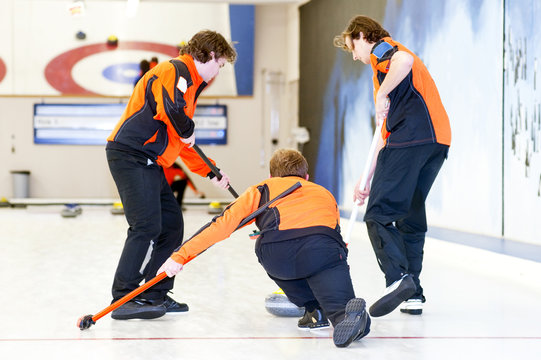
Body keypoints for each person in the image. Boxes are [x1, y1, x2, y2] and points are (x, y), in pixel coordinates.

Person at [157, 149, 371, 348]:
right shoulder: (324, 193)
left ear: (271, 176)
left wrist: (180, 256)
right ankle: (346, 316)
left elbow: (220, 226)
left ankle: (313, 310)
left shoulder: (262, 189)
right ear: (306, 177)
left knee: (283, 253)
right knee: (335, 287)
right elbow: (333, 234)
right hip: (322, 251)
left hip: (277, 254)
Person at [106, 30, 237, 320]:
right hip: (130, 155)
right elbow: (171, 111)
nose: (219, 70)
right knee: (146, 226)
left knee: (172, 225)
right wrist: (187, 129)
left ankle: (155, 292)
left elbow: (181, 141)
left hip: (150, 160)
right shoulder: (173, 70)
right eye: (220, 64)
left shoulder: (189, 87)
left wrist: (211, 172)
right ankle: (124, 297)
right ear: (211, 55)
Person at [334, 16, 451, 317]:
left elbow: (405, 59)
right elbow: (383, 141)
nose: (355, 55)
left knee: (378, 215)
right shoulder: (389, 78)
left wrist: (381, 93)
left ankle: (398, 279)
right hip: (435, 141)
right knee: (410, 217)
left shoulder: (383, 52)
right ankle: (414, 294)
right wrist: (366, 178)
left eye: (352, 47)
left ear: (362, 35)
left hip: (411, 138)